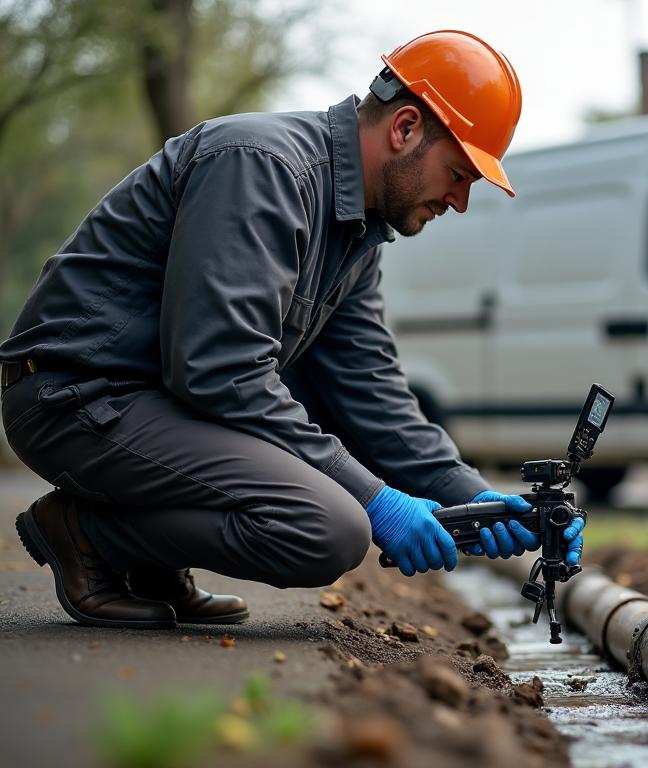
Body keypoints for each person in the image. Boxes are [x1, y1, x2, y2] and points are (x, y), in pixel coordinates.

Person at [0, 30, 584, 630]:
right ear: (405, 128)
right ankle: (85, 534)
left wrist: (468, 493)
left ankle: (150, 562)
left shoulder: (357, 232)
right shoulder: (261, 166)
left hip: (155, 404)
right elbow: (219, 370)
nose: (460, 201)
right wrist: (378, 500)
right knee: (327, 525)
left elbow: (369, 390)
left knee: (331, 494)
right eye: (459, 173)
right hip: (76, 397)